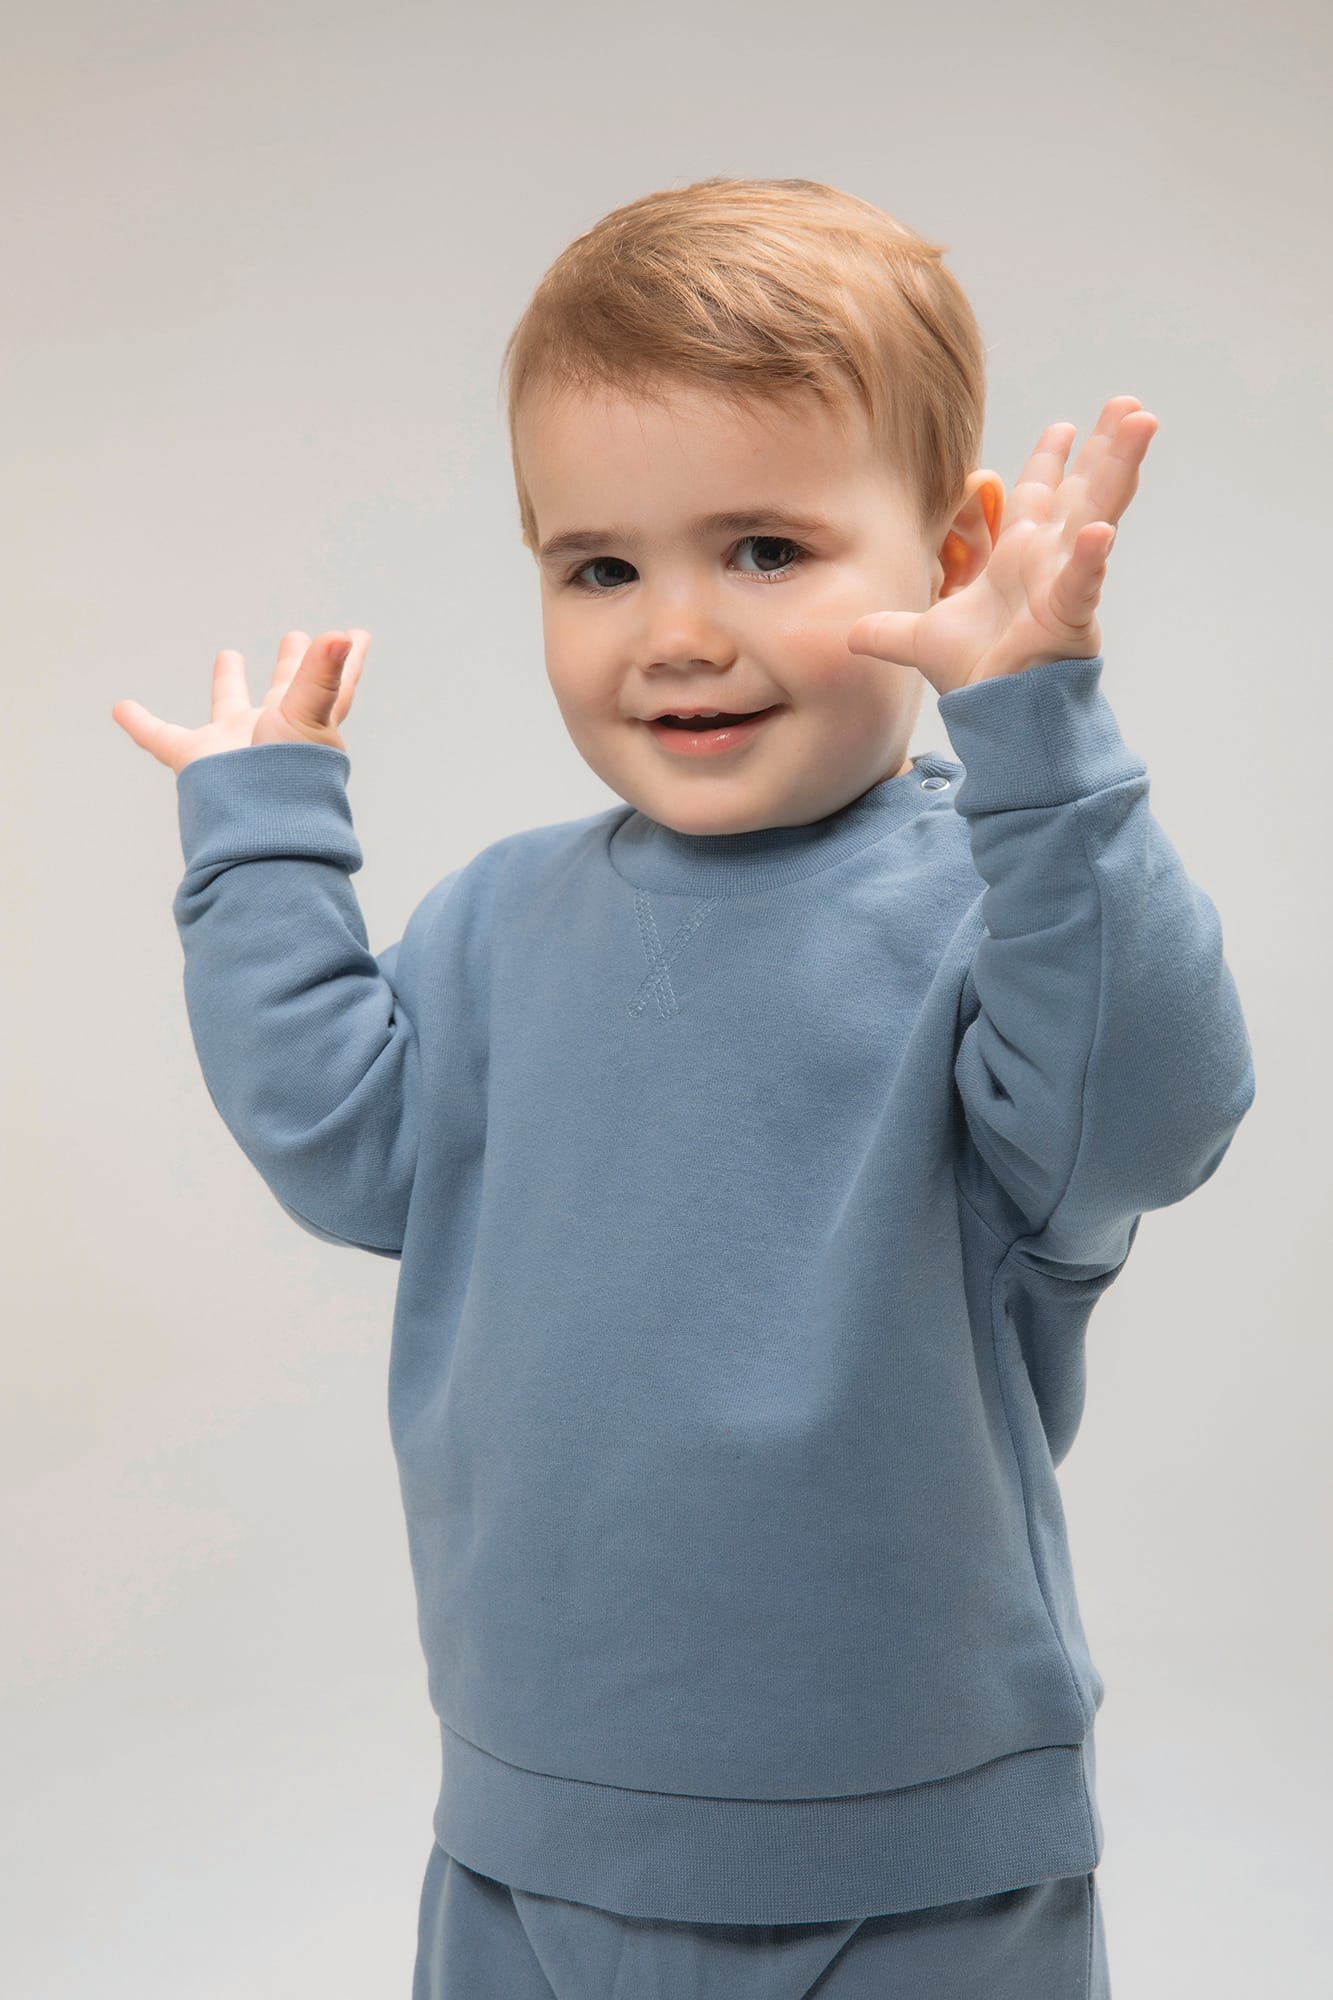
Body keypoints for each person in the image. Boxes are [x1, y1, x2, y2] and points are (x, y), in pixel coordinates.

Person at [112, 177, 1255, 1997]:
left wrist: (1042, 723)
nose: (675, 631)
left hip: (919, 1854)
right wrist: (260, 839)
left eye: (766, 551)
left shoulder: (1001, 908)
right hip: (531, 1836)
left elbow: (1155, 1115)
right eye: (600, 567)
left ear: (953, 557)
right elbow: (342, 1145)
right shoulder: (495, 919)